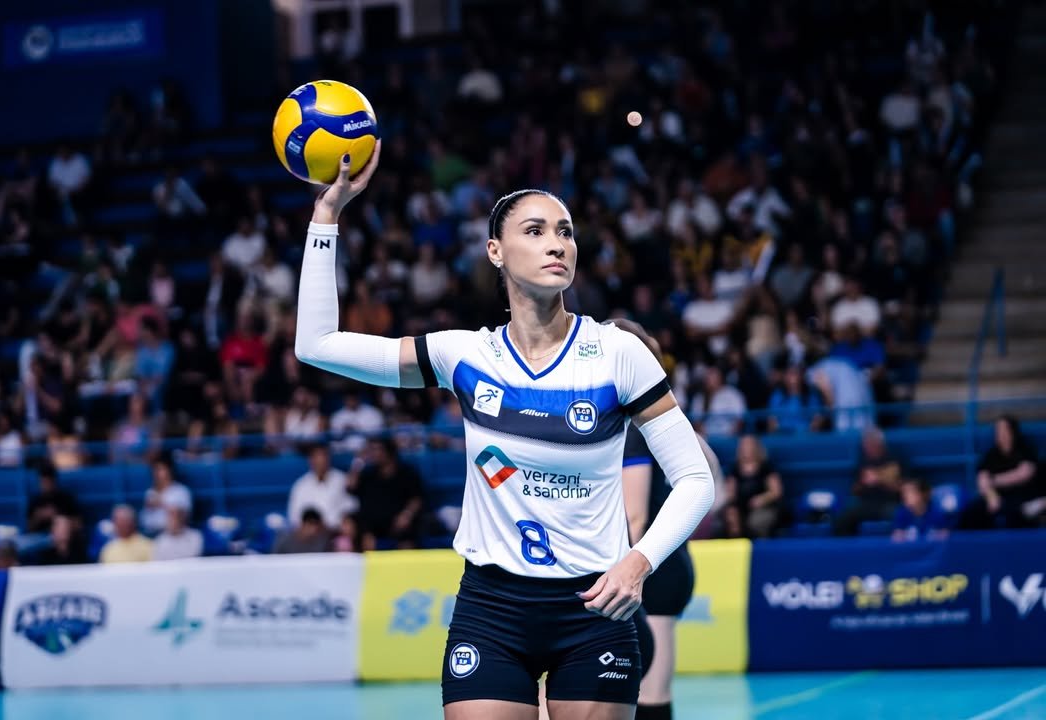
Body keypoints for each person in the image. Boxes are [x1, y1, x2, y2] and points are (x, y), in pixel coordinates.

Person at [293, 146, 714, 719]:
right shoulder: (464, 355)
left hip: (594, 610)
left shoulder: (620, 354)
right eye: (535, 231)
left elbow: (695, 479)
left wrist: (639, 561)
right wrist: (327, 216)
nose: (556, 244)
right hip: (491, 610)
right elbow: (316, 345)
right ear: (495, 250)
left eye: (565, 232)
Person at [614, 318, 725, 720]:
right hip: (670, 561)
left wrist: (619, 571)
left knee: (649, 694)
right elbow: (709, 479)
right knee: (652, 690)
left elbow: (635, 516)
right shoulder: (667, 421)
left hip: (649, 567)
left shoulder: (634, 429)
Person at [959, 416, 1041, 530]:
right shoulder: (991, 455)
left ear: (1013, 431)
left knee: (1020, 513)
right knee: (972, 512)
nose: (1001, 434)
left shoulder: (1025, 450)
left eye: (1004, 430)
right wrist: (991, 495)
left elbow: (1024, 474)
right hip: (998, 499)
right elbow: (982, 479)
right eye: (998, 430)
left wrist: (993, 481)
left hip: (1023, 499)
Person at [349, 437, 424, 550]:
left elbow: (417, 498)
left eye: (377, 449)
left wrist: (407, 514)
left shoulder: (407, 473)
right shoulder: (368, 475)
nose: (374, 453)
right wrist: (358, 462)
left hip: (400, 522)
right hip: (372, 525)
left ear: (389, 451)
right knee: (359, 530)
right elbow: (351, 487)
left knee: (408, 534)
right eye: (371, 450)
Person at [835, 429, 903, 536]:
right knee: (843, 518)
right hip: (866, 503)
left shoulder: (896, 458)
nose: (868, 448)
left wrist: (880, 480)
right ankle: (846, 545)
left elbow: (906, 487)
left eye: (871, 444)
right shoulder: (863, 461)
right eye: (866, 445)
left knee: (899, 514)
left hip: (891, 502)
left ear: (880, 444)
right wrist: (863, 482)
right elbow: (854, 490)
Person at [722, 435, 784, 539]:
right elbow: (730, 493)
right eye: (744, 446)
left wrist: (761, 499)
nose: (746, 449)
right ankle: (736, 542)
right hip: (741, 506)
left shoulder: (766, 467)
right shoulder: (735, 468)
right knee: (731, 516)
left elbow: (776, 492)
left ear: (756, 448)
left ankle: (760, 545)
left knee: (756, 521)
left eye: (749, 446)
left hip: (764, 507)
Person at [286, 445, 358, 531]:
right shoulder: (301, 485)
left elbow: (352, 508)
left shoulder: (342, 480)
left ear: (328, 459)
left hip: (336, 532)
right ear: (311, 461)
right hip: (310, 533)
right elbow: (294, 516)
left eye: (324, 458)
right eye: (316, 459)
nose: (320, 463)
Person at [141, 455, 193, 536]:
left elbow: (185, 516)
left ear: (169, 470)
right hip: (151, 534)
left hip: (174, 535)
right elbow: (144, 519)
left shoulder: (181, 490)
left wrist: (161, 503)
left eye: (160, 469)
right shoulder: (150, 492)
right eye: (155, 470)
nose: (157, 473)